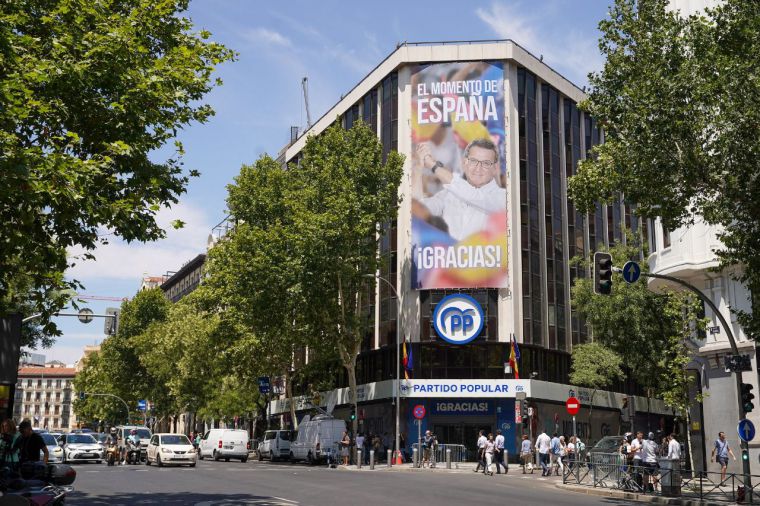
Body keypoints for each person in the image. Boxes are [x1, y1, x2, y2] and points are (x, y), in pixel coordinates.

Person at [415, 138, 507, 241]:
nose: (478, 168)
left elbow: (471, 194)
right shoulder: (449, 194)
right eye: (473, 161)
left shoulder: (503, 198)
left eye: (486, 163)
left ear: (495, 168)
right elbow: (420, 211)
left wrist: (433, 165)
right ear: (464, 163)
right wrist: (419, 166)